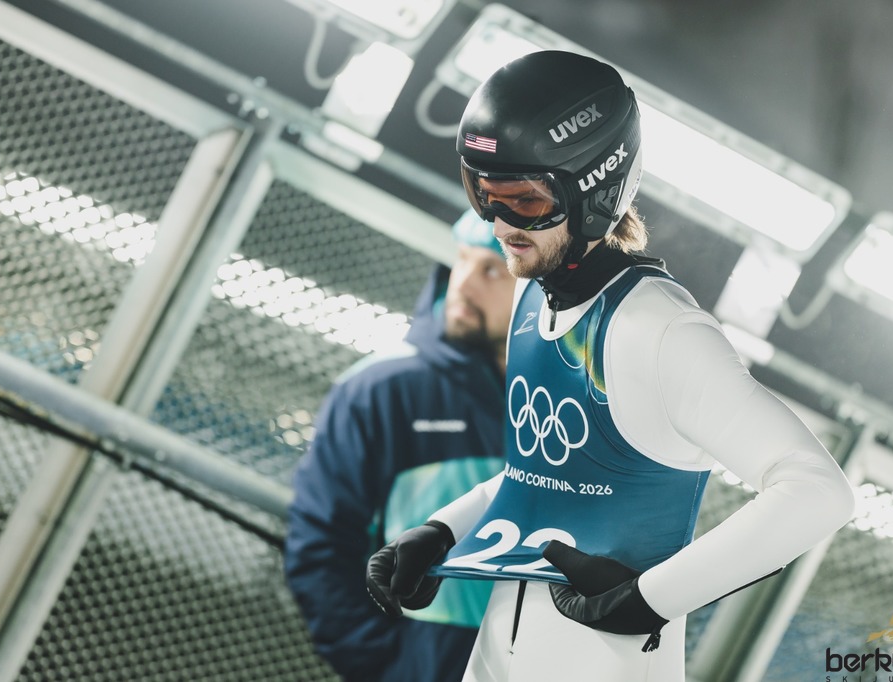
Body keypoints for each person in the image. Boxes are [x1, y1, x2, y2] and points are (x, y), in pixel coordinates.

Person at [365, 50, 856, 682]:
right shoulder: (533, 297)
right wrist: (440, 532)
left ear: (595, 190)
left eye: (525, 200)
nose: (500, 224)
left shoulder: (663, 332)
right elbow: (543, 479)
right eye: (484, 192)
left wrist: (650, 601)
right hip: (496, 656)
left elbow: (818, 492)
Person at [284, 212, 515, 682]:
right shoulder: (381, 390)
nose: (463, 284)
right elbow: (321, 544)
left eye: (492, 270)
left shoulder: (577, 404)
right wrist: (387, 664)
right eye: (462, 260)